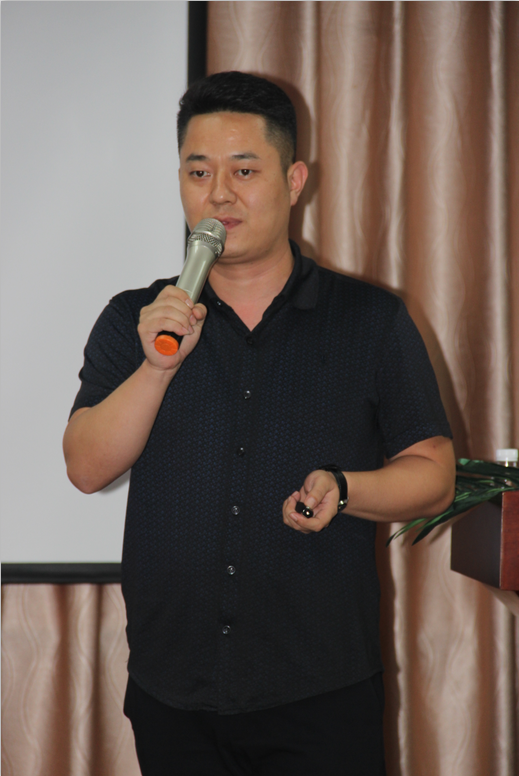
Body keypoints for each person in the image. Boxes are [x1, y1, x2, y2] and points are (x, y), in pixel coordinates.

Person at [64, 71, 455, 776]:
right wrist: (156, 367)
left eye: (243, 170)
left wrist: (346, 487)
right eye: (198, 172)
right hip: (174, 689)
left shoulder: (369, 321)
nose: (219, 194)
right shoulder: (134, 320)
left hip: (321, 689)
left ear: (294, 180)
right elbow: (86, 467)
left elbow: (434, 475)